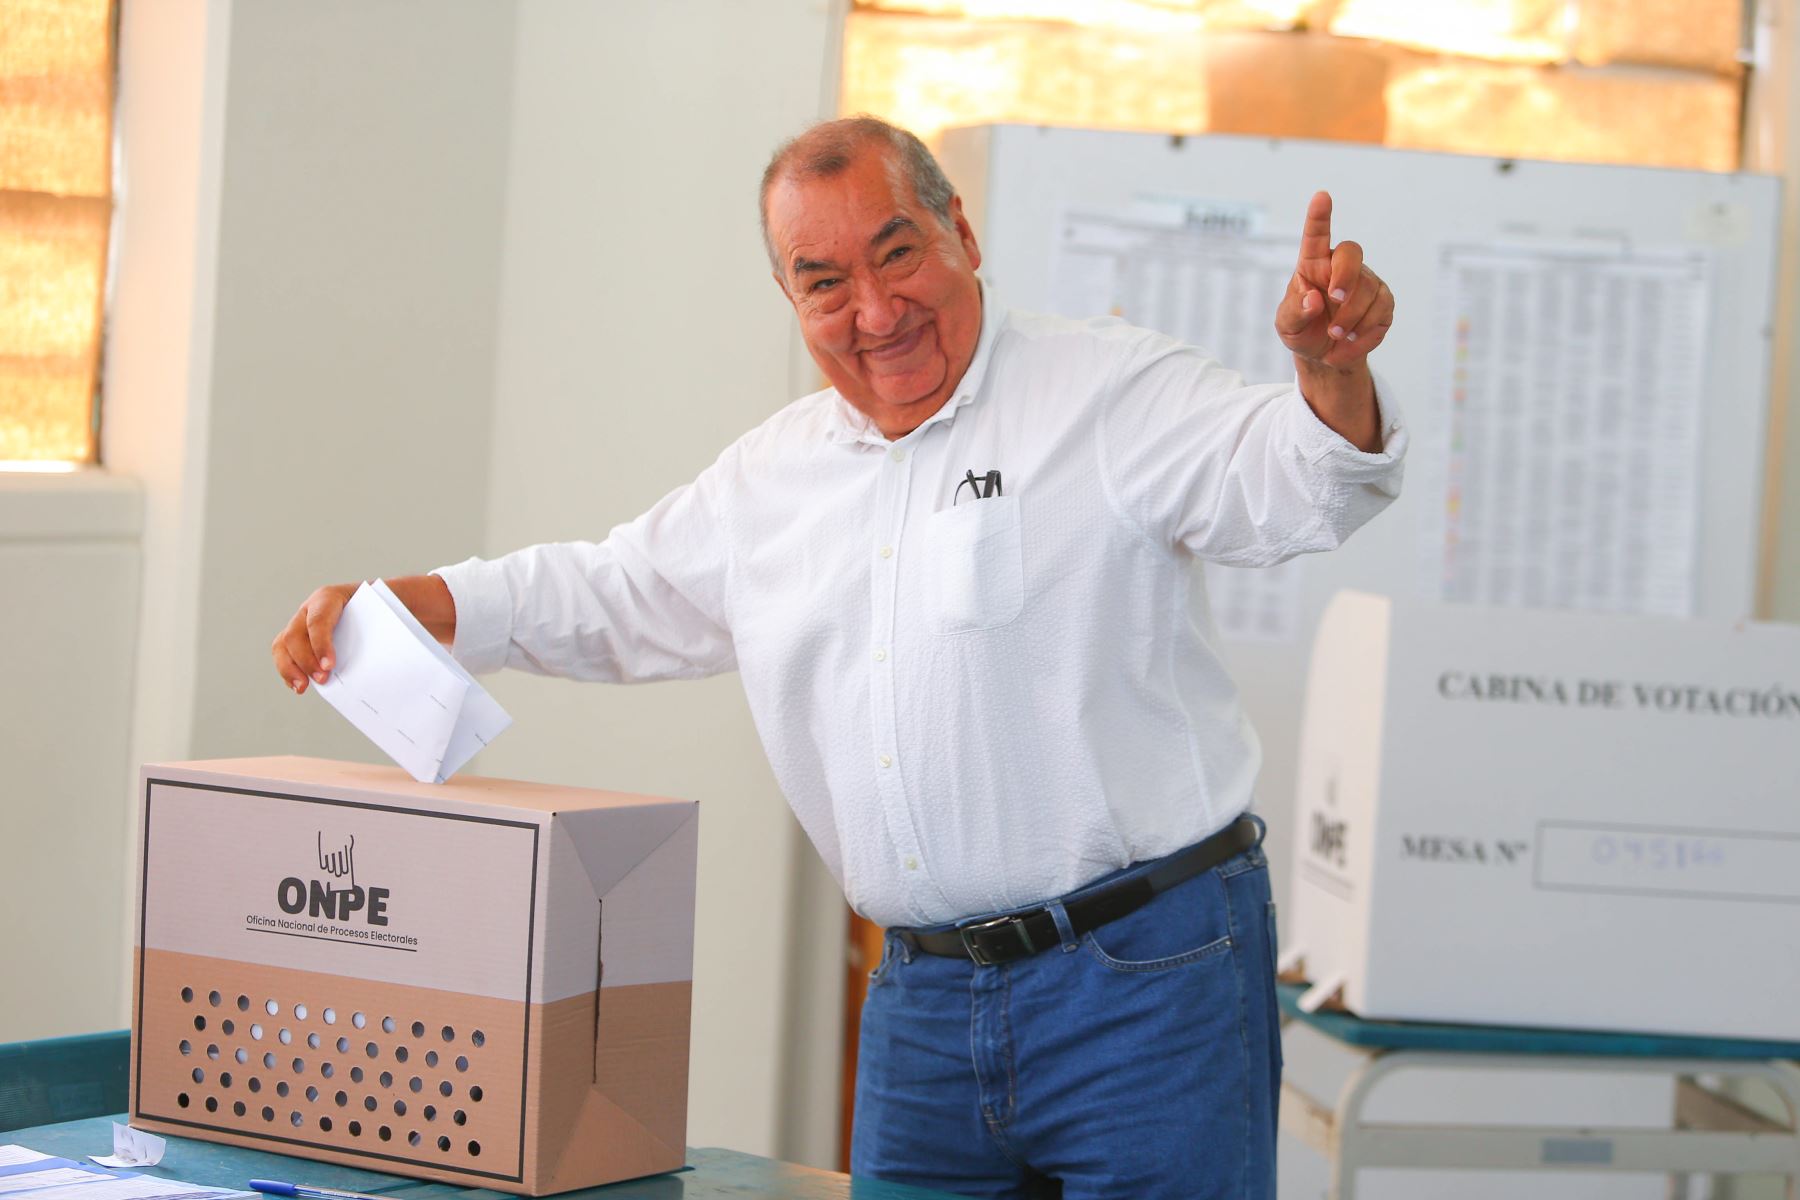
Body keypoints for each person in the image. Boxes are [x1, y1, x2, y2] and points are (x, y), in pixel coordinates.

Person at [271, 116, 1404, 1199]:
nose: (874, 310)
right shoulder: (775, 478)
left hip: (1146, 980)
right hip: (922, 1000)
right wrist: (407, 602)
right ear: (791, 299)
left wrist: (1330, 375)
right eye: (824, 282)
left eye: (896, 253)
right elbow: (612, 589)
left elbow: (1298, 482)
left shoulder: (1104, 390)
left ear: (960, 231)